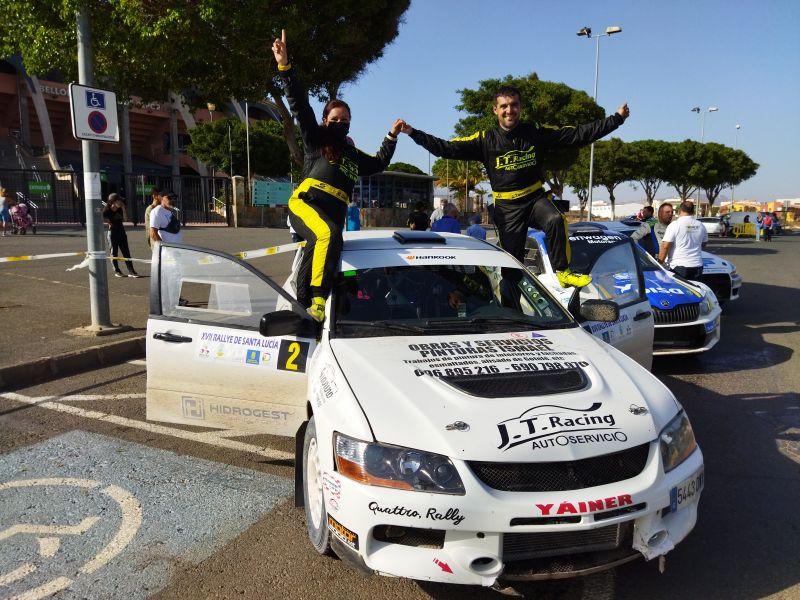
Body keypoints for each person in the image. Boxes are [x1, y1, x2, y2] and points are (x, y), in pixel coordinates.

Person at [399, 86, 629, 287]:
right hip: (507, 208)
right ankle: (510, 304)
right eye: (504, 106)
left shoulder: (535, 132)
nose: (510, 110)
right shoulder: (484, 139)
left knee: (556, 220)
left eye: (514, 105)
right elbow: (445, 148)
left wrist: (615, 120)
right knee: (512, 268)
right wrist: (413, 133)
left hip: (535, 198)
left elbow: (576, 135)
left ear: (521, 107)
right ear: (495, 110)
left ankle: (564, 273)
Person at [272, 29, 401, 321]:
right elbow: (300, 105)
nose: (340, 124)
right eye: (335, 120)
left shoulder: (353, 155)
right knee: (329, 234)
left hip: (333, 213)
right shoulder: (316, 139)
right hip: (306, 204)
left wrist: (391, 136)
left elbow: (379, 162)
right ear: (324, 121)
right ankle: (319, 301)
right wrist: (285, 67)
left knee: (322, 246)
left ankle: (303, 304)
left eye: (345, 121)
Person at [657, 201, 707, 279]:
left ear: (680, 211)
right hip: (697, 266)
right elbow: (704, 243)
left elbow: (665, 246)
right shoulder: (700, 225)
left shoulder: (675, 225)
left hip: (679, 267)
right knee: (694, 290)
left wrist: (659, 264)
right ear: (693, 211)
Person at [103, 193, 139, 277]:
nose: (121, 202)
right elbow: (102, 217)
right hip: (112, 233)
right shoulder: (107, 211)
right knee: (114, 252)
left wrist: (123, 208)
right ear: (113, 201)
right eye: (119, 201)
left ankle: (131, 271)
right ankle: (117, 270)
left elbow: (125, 219)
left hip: (121, 232)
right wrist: (108, 222)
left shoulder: (120, 209)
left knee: (126, 252)